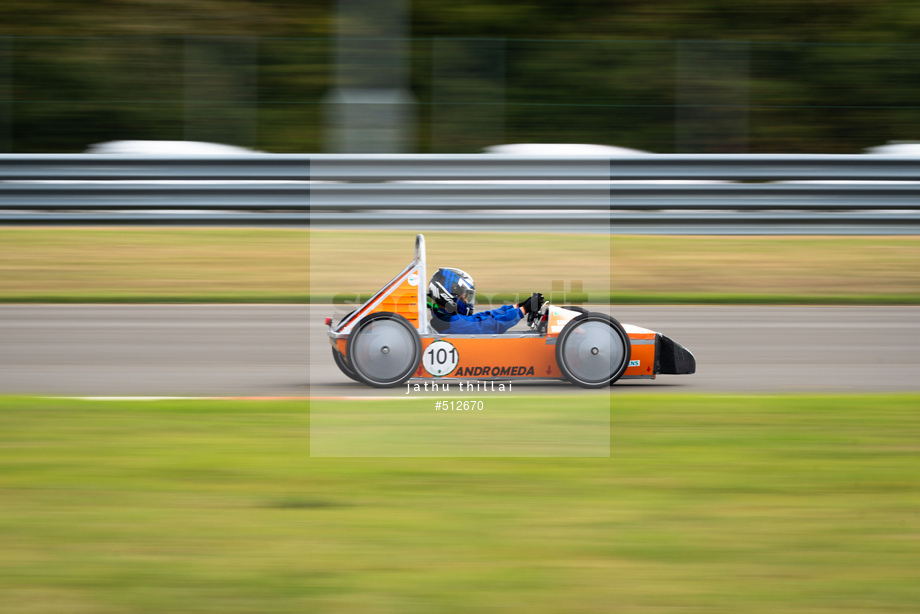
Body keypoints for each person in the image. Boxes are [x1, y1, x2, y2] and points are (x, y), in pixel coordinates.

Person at [427, 267, 542, 334]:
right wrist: (523, 310)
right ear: (449, 295)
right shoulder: (450, 323)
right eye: (464, 297)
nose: (467, 302)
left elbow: (482, 317)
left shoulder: (444, 319)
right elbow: (489, 325)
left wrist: (517, 307)